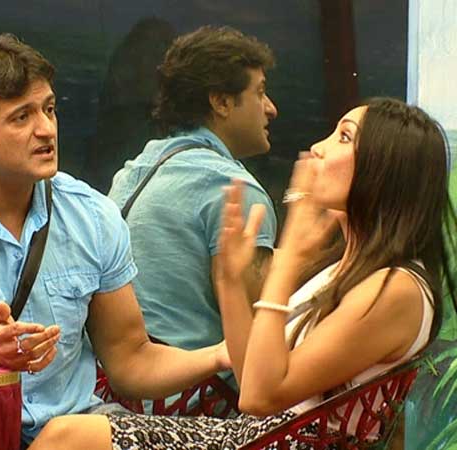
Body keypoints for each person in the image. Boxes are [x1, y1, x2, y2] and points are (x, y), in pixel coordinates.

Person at [28, 97, 457, 449]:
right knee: (66, 433)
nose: (318, 147)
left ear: (386, 170)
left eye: (344, 137)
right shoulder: (345, 267)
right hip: (255, 436)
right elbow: (252, 372)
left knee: (69, 438)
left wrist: (286, 263)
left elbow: (259, 396)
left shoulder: (397, 287)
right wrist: (230, 282)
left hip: (272, 441)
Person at [0, 33, 229, 447]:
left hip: (73, 428)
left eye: (49, 109)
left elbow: (131, 359)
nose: (46, 130)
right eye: (21, 117)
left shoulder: (93, 217)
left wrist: (220, 354)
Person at [107, 26, 278, 392]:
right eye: (260, 92)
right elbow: (262, 336)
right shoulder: (236, 191)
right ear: (221, 102)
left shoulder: (132, 173)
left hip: (117, 388)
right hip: (199, 399)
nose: (271, 108)